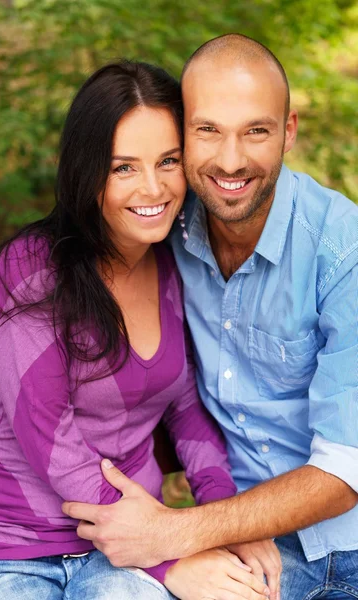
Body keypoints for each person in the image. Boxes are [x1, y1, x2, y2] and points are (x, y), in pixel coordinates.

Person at [57, 34, 358, 600]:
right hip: (242, 543)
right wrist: (3, 281)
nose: (230, 160)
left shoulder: (344, 253)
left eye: (257, 131)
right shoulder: (168, 217)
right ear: (183, 135)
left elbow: (347, 471)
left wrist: (179, 533)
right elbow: (83, 220)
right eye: (208, 130)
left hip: (342, 544)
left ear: (289, 130)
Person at [0, 60, 272, 600]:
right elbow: (53, 446)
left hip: (122, 560)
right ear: (86, 171)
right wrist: (172, 558)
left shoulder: (175, 265)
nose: (152, 187)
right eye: (123, 167)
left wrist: (222, 521)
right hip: (10, 550)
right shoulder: (31, 270)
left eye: (167, 161)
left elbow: (186, 411)